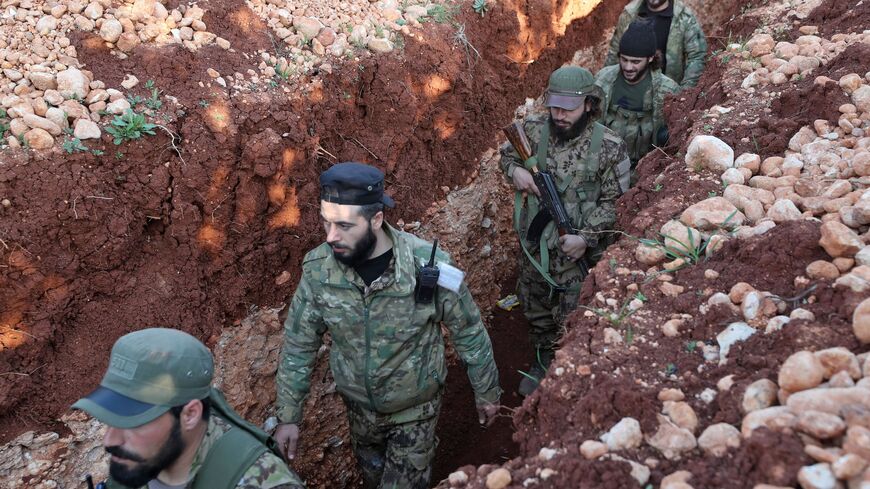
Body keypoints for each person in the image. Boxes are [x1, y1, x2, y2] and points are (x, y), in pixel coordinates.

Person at [274, 162, 501, 489]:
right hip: (359, 414)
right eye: (325, 222)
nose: (331, 236)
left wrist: (487, 391)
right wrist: (288, 416)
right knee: (373, 478)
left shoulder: (428, 265)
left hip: (415, 411)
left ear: (376, 219)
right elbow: (299, 344)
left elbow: (468, 330)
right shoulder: (318, 270)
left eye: (343, 225)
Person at [499, 66, 630, 396]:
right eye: (554, 107)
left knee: (573, 318)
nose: (559, 116)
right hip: (535, 250)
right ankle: (542, 362)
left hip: (578, 257)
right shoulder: (531, 130)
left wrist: (585, 237)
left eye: (567, 109)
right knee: (536, 310)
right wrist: (515, 170)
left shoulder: (610, 147)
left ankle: (567, 373)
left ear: (589, 104)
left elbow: (619, 204)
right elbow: (506, 155)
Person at [72, 328, 304, 489]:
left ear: (190, 414)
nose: (110, 441)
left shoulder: (262, 481)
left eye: (134, 420)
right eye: (113, 419)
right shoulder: (134, 458)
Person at [596, 19, 680, 181]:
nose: (628, 67)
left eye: (635, 62)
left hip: (642, 171)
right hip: (604, 167)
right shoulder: (603, 80)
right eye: (624, 59)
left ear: (650, 58)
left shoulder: (667, 90)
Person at [604, 0, 707, 89]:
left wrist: (684, 92)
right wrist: (607, 84)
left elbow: (697, 56)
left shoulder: (684, 17)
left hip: (666, 93)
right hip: (629, 91)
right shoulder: (630, 13)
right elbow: (614, 52)